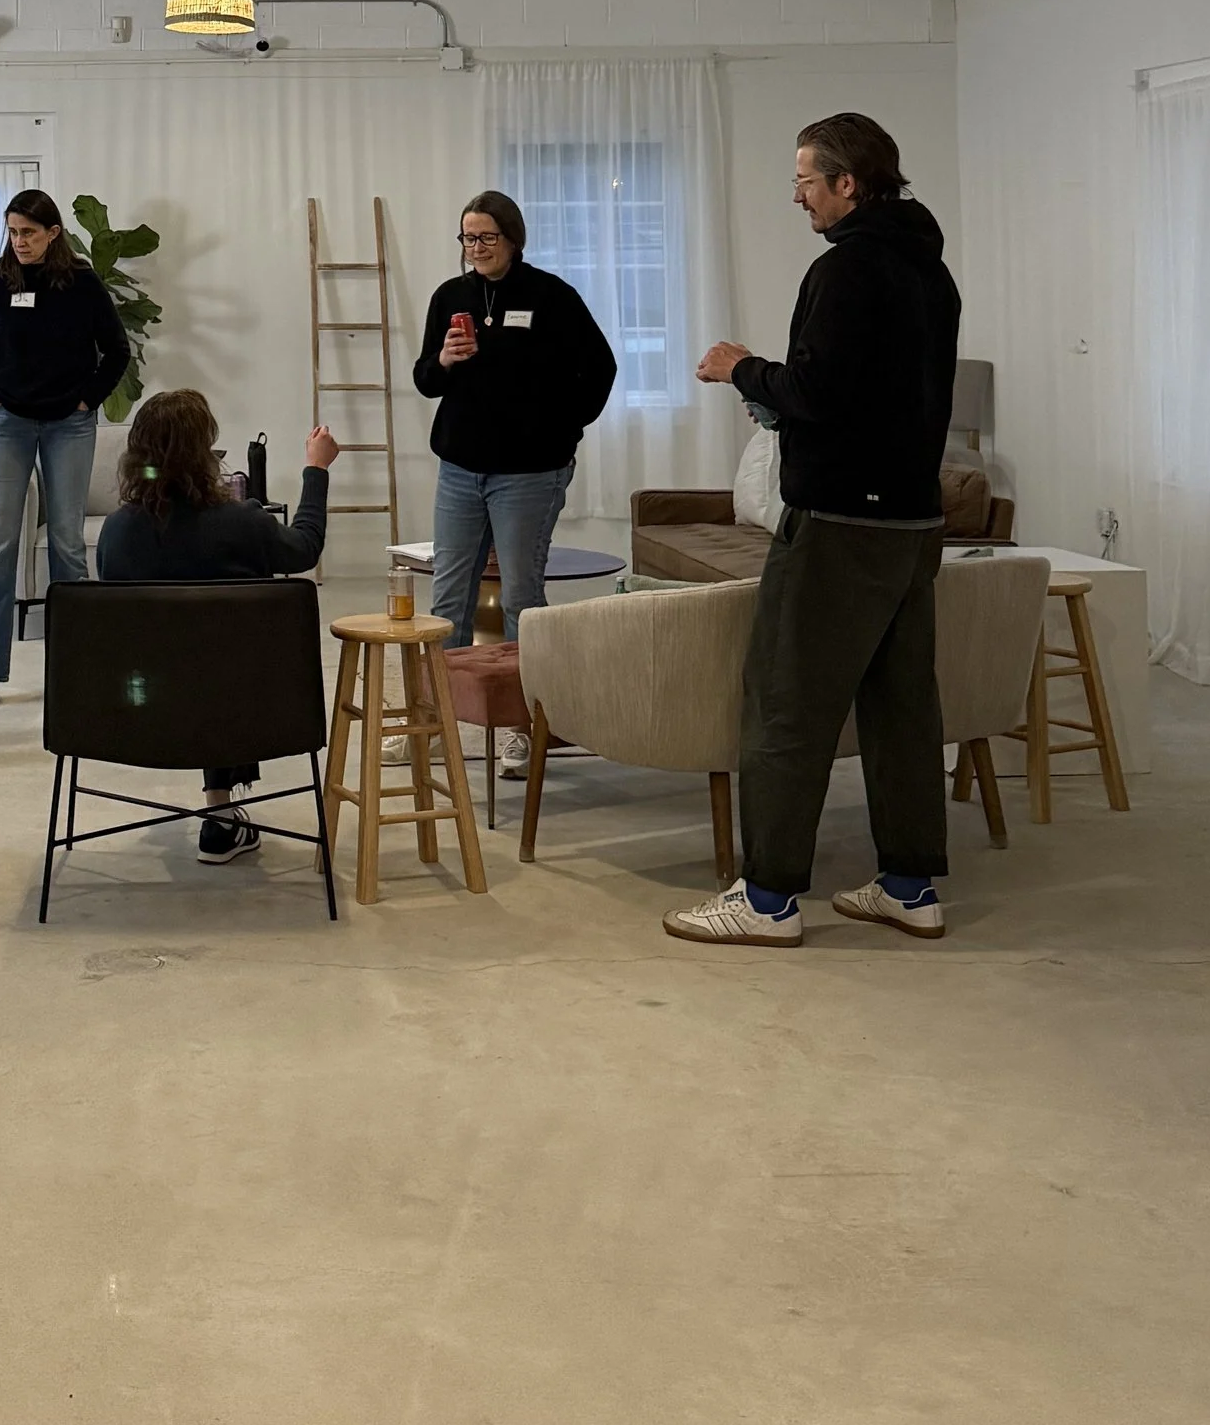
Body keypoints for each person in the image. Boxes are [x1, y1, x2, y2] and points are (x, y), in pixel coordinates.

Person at [666, 112, 962, 947]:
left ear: (847, 182)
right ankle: (909, 886)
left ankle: (765, 900)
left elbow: (818, 392)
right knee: (903, 708)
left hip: (838, 523)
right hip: (913, 520)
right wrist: (779, 391)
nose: (798, 197)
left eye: (805, 181)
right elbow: (867, 396)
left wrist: (742, 369)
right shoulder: (932, 272)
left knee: (785, 704)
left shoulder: (845, 269)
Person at [412, 190, 616, 770]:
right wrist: (444, 361)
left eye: (486, 237)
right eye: (467, 238)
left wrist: (564, 429)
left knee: (521, 600)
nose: (476, 248)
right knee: (448, 598)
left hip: (529, 472)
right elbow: (425, 380)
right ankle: (439, 721)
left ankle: (519, 726)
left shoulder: (551, 296)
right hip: (460, 468)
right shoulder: (449, 297)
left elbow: (600, 369)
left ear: (513, 239)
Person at [95, 389, 341, 859]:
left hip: (137, 711)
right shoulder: (243, 523)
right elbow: (305, 547)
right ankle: (220, 817)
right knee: (220, 661)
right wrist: (316, 469)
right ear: (204, 455)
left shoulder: (117, 533)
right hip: (244, 707)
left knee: (189, 659)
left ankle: (221, 815)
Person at [0, 189, 134, 710]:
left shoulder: (83, 285)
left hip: (68, 425)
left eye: (28, 232)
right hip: (5, 423)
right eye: (12, 231)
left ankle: (78, 670)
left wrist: (88, 399)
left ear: (53, 234)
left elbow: (117, 351)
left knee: (67, 545)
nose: (19, 241)